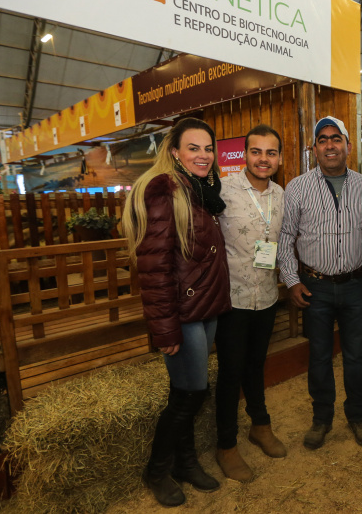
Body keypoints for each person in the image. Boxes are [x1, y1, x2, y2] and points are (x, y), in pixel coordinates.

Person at [123, 117, 231, 507]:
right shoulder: (164, 189)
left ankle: (185, 463)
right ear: (174, 152)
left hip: (205, 307)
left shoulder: (200, 190)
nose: (203, 155)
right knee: (191, 394)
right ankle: (156, 470)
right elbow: (154, 267)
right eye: (193, 148)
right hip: (183, 313)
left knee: (186, 390)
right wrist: (165, 329)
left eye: (208, 148)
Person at [278, 116, 362, 450]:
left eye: (336, 139)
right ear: (314, 148)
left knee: (355, 356)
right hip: (314, 287)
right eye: (323, 140)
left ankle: (357, 416)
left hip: (355, 285)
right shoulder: (297, 187)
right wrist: (292, 281)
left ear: (347, 145)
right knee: (319, 356)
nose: (330, 145)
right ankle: (321, 419)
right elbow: (286, 236)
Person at [214, 124, 285, 482]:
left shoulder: (281, 194)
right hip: (232, 300)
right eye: (256, 152)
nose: (263, 159)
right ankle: (226, 445)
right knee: (230, 373)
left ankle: (260, 425)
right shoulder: (222, 190)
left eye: (271, 153)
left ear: (279, 158)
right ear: (244, 155)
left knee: (256, 365)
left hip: (267, 296)